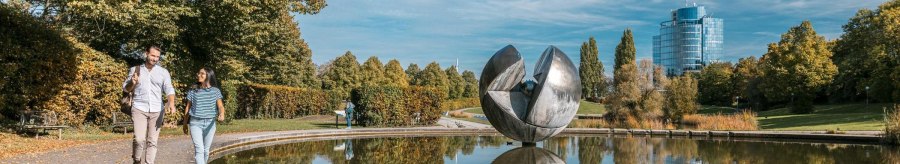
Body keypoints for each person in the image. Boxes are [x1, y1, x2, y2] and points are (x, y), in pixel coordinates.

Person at [122, 45, 176, 164]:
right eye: (153, 55)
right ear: (146, 54)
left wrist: (171, 102)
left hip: (157, 110)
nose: (155, 59)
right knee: (139, 139)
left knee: (152, 141)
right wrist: (132, 82)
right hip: (139, 108)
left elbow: (169, 88)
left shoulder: (163, 72)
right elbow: (126, 89)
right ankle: (136, 160)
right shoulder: (135, 70)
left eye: (157, 57)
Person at [182, 67, 225, 164]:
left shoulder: (215, 91)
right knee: (199, 149)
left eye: (202, 74)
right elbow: (188, 108)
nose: (199, 75)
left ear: (209, 76)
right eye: (199, 73)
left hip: (210, 123)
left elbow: (221, 106)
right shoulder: (193, 90)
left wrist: (221, 114)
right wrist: (185, 123)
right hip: (195, 123)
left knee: (206, 150)